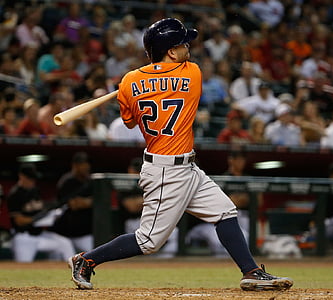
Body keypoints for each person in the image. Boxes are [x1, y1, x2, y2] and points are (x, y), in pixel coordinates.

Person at [68, 18, 293, 291]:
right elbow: (169, 77)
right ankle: (86, 260)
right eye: (183, 43)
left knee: (224, 211)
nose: (188, 46)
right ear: (171, 51)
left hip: (185, 167)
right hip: (166, 171)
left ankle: (251, 271)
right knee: (148, 241)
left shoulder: (129, 81)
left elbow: (129, 122)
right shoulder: (192, 73)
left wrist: (133, 88)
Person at [7, 163, 75, 262]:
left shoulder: (35, 190)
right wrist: (38, 219)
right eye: (29, 178)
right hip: (24, 237)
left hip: (40, 234)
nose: (32, 181)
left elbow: (41, 209)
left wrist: (50, 216)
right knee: (23, 267)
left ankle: (72, 271)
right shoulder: (15, 194)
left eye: (33, 178)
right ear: (21, 176)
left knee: (64, 243)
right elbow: (19, 221)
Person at [51, 152, 94, 252]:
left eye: (87, 164)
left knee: (94, 254)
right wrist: (87, 202)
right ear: (75, 165)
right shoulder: (66, 181)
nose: (86, 167)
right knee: (63, 258)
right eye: (82, 164)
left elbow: (99, 201)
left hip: (84, 234)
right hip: (63, 234)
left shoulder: (91, 181)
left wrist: (87, 202)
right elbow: (74, 204)